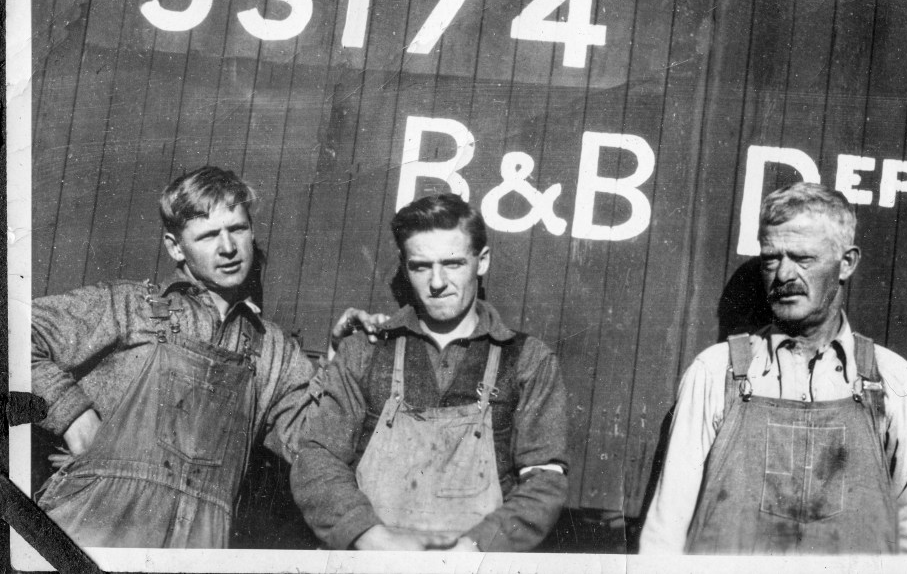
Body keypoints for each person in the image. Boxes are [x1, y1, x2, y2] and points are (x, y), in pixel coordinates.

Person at [639, 182, 907, 555]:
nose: (784, 275)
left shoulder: (892, 381)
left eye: (803, 258)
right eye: (771, 259)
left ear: (847, 263)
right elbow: (663, 539)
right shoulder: (714, 372)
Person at [32, 166, 320, 548]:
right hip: (90, 537)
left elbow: (319, 447)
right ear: (175, 247)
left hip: (194, 549)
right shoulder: (130, 307)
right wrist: (73, 416)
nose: (228, 248)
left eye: (237, 229)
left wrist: (357, 356)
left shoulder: (274, 352)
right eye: (208, 235)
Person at [291, 193, 569, 552]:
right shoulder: (365, 351)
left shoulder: (528, 360)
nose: (437, 282)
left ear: (482, 261)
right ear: (405, 266)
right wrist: (370, 537)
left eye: (452, 263)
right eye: (421, 267)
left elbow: (544, 480)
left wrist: (474, 549)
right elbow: (317, 457)